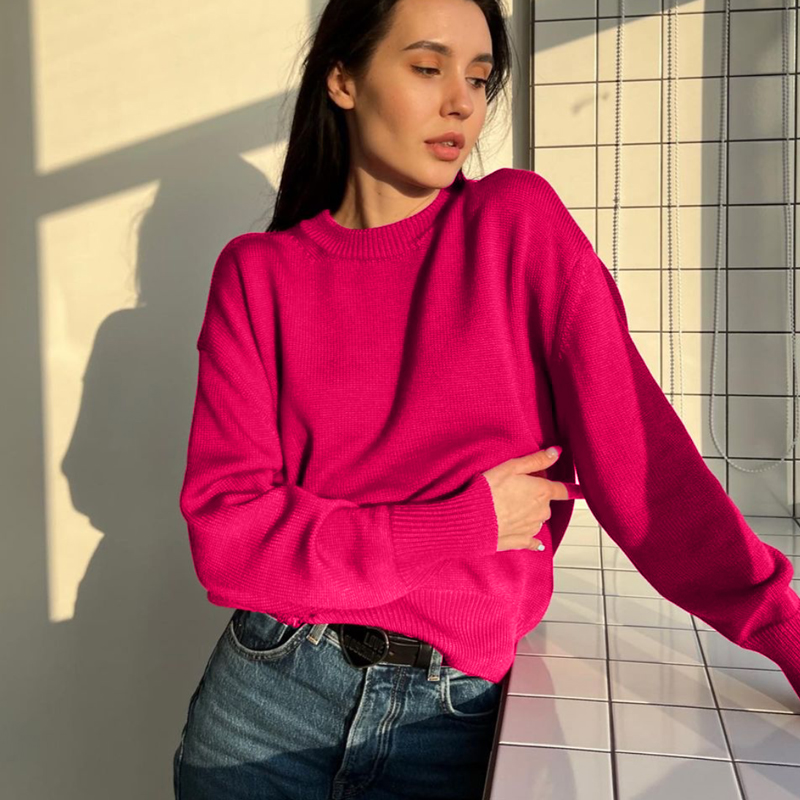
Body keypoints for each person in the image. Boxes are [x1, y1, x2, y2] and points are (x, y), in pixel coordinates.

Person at [172, 0, 800, 797]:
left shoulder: (515, 226)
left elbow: (645, 466)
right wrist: (464, 522)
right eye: (427, 67)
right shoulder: (258, 275)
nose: (462, 102)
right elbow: (229, 540)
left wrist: (783, 630)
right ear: (343, 80)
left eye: (478, 77)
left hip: (451, 719)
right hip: (266, 699)